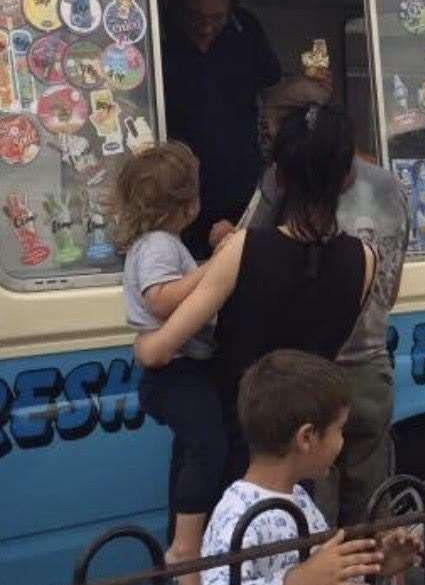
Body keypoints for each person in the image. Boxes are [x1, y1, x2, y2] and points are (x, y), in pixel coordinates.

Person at [135, 106, 377, 485]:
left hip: (235, 457)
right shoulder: (364, 259)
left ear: (277, 176)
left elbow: (158, 350)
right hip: (298, 463)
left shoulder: (242, 249)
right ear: (347, 178)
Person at [235, 78, 409, 526]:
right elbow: (391, 284)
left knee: (314, 513)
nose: (268, 137)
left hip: (311, 372)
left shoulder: (286, 182)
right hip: (372, 364)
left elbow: (248, 250)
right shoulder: (390, 187)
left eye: (271, 125)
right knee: (371, 504)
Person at [200, 350, 421, 585]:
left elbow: (323, 571)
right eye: (339, 430)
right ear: (307, 438)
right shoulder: (237, 516)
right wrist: (294, 581)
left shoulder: (298, 496)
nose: (342, 442)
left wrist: (375, 563)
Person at [113, 142, 223, 585]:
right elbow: (159, 300)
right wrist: (212, 270)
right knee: (209, 445)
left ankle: (178, 543)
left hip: (175, 369)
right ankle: (185, 548)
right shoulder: (159, 244)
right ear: (187, 202)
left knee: (189, 450)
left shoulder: (160, 243)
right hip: (173, 371)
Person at [162, 0, 283, 259]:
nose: (205, 27)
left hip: (240, 179)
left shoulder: (246, 29)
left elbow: (273, 89)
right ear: (176, 6)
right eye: (195, 16)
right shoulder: (155, 32)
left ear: (231, 11)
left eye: (216, 18)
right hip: (177, 187)